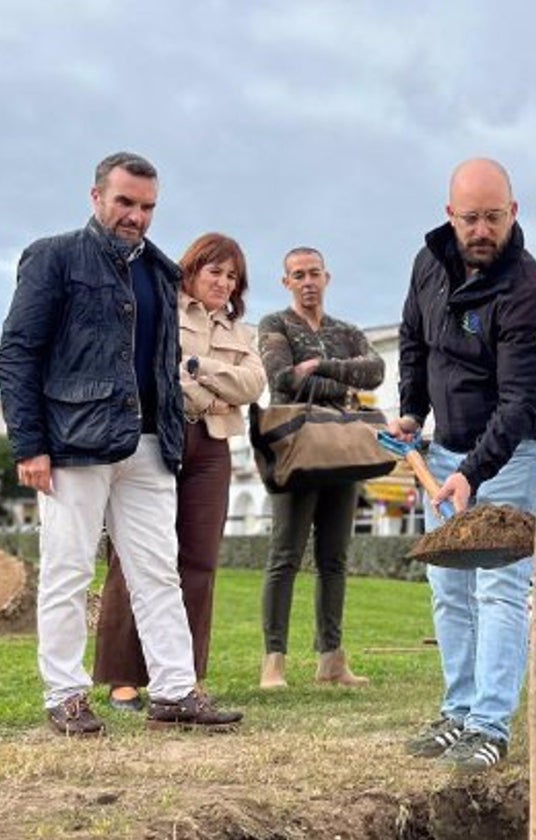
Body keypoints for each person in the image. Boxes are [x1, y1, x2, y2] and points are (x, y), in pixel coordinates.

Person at [0, 152, 242, 735]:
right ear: (96, 197)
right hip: (72, 445)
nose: (135, 215)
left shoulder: (160, 270)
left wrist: (173, 442)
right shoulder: (53, 257)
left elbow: (161, 364)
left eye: (147, 206)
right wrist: (29, 444)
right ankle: (65, 696)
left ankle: (176, 691)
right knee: (67, 570)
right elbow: (18, 352)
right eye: (125, 202)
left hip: (150, 445)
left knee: (158, 571)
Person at [390, 158, 536, 773]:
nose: (482, 230)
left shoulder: (528, 291)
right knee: (449, 588)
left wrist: (473, 472)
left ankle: (489, 726)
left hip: (507, 454)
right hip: (445, 447)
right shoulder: (428, 263)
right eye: (470, 218)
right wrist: (412, 412)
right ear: (449, 215)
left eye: (493, 217)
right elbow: (413, 339)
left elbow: (519, 404)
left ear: (513, 212)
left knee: (499, 587)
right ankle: (457, 712)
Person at [93, 233, 266, 709]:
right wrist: (212, 388)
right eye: (215, 271)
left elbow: (254, 383)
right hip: (157, 438)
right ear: (191, 269)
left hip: (212, 447)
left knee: (199, 562)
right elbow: (158, 372)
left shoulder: (239, 331)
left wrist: (196, 367)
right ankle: (123, 677)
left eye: (233, 276)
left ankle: (183, 678)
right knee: (136, 556)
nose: (224, 283)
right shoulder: (162, 310)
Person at [257, 247, 384, 689]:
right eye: (298, 275)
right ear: (286, 281)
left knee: (335, 558)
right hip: (295, 447)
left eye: (314, 273)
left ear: (326, 277)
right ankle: (273, 660)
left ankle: (331, 658)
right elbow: (282, 378)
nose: (307, 281)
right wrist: (340, 379)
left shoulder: (347, 331)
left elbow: (376, 371)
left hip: (342, 447)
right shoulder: (274, 325)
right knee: (285, 555)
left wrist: (321, 365)